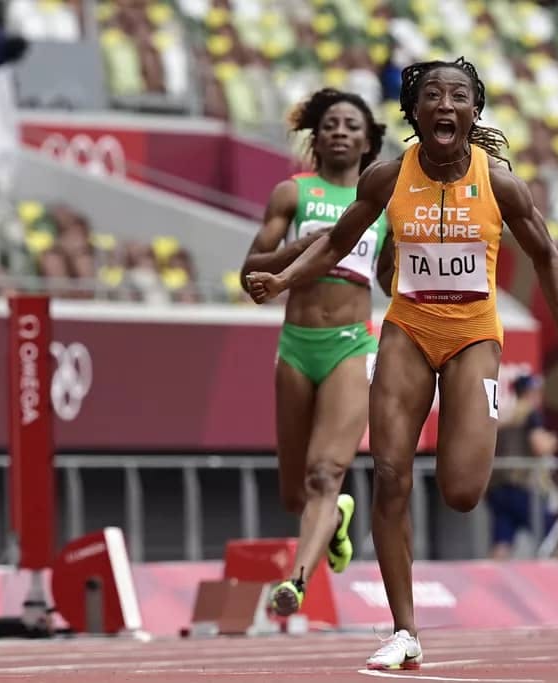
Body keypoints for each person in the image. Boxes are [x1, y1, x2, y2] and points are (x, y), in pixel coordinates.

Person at [247, 56, 558, 669]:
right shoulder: (386, 177)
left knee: (462, 492)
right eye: (431, 95)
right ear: (414, 112)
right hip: (406, 328)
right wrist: (281, 278)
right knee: (390, 475)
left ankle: (400, 594)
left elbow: (547, 259)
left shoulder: (501, 184)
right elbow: (336, 241)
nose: (444, 104)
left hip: (472, 337)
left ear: (472, 112)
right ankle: (404, 629)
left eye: (457, 96)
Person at [239, 88, 392, 618]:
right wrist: (304, 247)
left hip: (352, 345)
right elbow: (250, 275)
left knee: (324, 475)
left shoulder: (383, 207)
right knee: (294, 495)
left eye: (353, 125)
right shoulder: (292, 194)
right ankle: (337, 517)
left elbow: (394, 279)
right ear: (316, 137)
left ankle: (295, 583)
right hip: (296, 347)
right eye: (331, 124)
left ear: (369, 140)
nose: (341, 132)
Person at [487, 373, 558, 560]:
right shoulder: (530, 414)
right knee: (552, 538)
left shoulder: (505, 413)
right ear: (530, 393)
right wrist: (552, 440)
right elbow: (539, 446)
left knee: (502, 542)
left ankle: (487, 585)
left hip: (497, 486)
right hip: (521, 486)